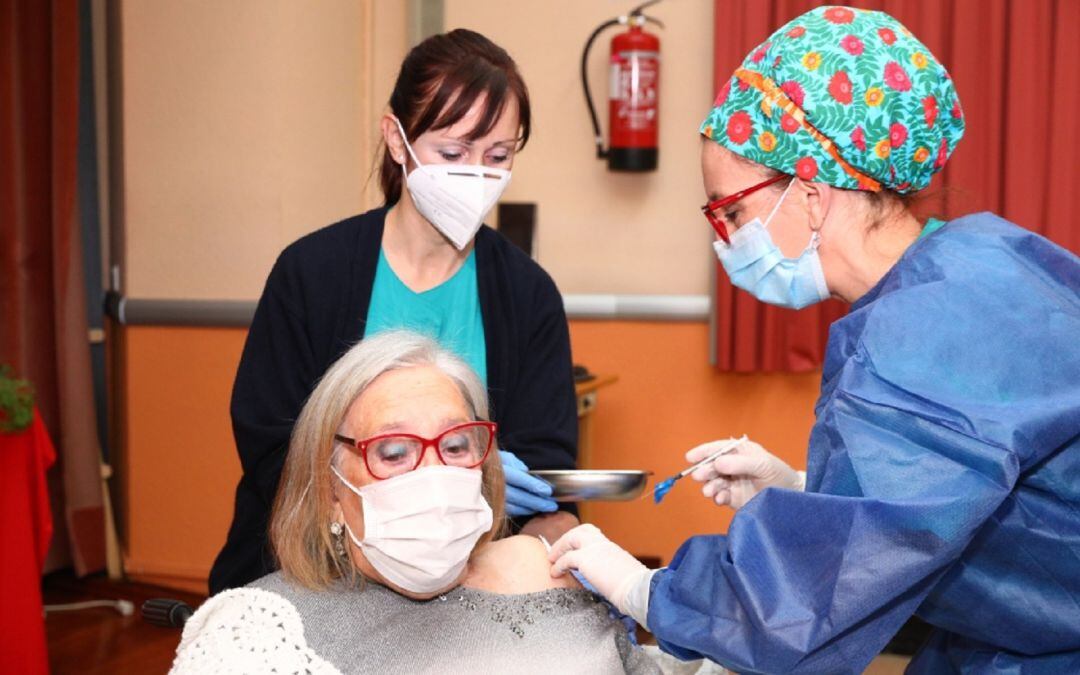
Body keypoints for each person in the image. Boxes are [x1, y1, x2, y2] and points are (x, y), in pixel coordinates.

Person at [549, 6, 1080, 674]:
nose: (727, 240)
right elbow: (962, 487)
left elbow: (805, 605)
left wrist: (644, 587)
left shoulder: (905, 344)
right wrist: (808, 491)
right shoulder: (988, 255)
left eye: (731, 212)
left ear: (809, 194)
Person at [210, 29, 579, 594]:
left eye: (498, 156)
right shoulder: (312, 273)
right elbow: (268, 441)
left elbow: (547, 455)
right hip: (312, 572)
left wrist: (507, 484)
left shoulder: (527, 295)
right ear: (396, 139)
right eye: (452, 153)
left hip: (466, 581)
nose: (475, 174)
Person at [172, 332, 655, 674]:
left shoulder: (544, 566)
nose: (435, 475)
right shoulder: (259, 633)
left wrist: (657, 599)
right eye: (394, 452)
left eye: (456, 445)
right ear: (332, 492)